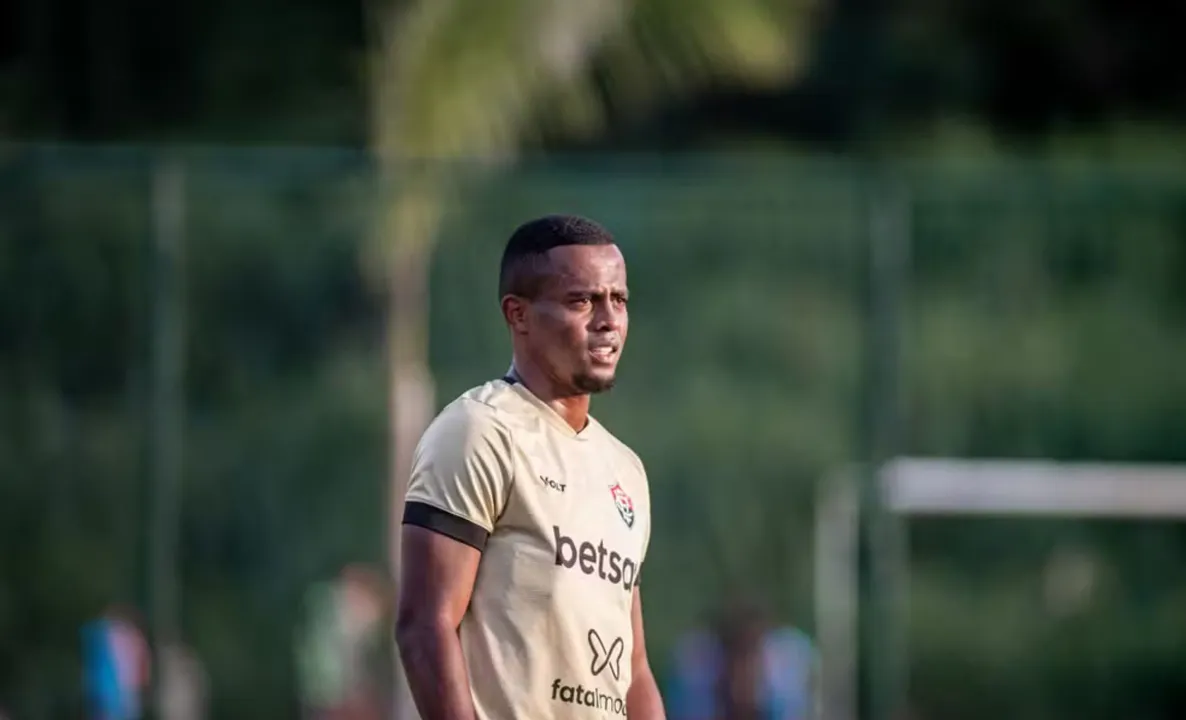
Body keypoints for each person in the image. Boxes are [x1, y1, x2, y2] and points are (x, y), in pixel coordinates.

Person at [396, 215, 665, 720]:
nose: (608, 320)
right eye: (581, 301)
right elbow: (423, 625)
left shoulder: (625, 469)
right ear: (518, 314)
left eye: (619, 299)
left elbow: (635, 667)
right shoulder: (480, 431)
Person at [666, 596, 819, 720]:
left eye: (751, 665)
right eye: (739, 665)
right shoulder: (698, 703)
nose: (745, 677)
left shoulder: (784, 705)